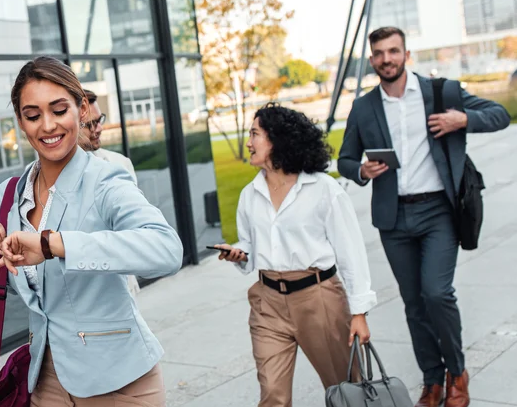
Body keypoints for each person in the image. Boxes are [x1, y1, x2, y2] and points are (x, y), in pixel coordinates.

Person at [0, 56, 183, 406]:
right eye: (33, 115)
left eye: (59, 110)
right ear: (20, 122)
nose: (48, 126)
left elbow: (166, 250)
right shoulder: (9, 194)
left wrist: (55, 244)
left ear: (82, 110)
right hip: (46, 379)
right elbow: (41, 291)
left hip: (119, 380)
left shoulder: (106, 180)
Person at [337, 27, 510, 407]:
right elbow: (345, 159)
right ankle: (433, 381)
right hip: (393, 218)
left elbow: (500, 115)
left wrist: (461, 120)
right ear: (372, 60)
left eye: (393, 51)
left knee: (437, 293)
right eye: (380, 53)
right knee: (413, 304)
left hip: (438, 212)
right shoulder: (364, 107)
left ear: (406, 54)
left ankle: (457, 373)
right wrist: (361, 171)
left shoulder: (441, 92)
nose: (387, 59)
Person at [215, 103, 377, 407]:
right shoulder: (250, 195)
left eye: (254, 134)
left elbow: (350, 252)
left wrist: (359, 312)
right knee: (273, 396)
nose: (248, 143)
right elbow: (251, 245)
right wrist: (240, 253)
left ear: (278, 139)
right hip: (267, 303)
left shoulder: (323, 189)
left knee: (345, 391)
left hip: (319, 299)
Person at [78, 89, 141, 298]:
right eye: (90, 124)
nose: (99, 129)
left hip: (123, 284)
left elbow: (137, 228)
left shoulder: (121, 164)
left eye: (100, 120)